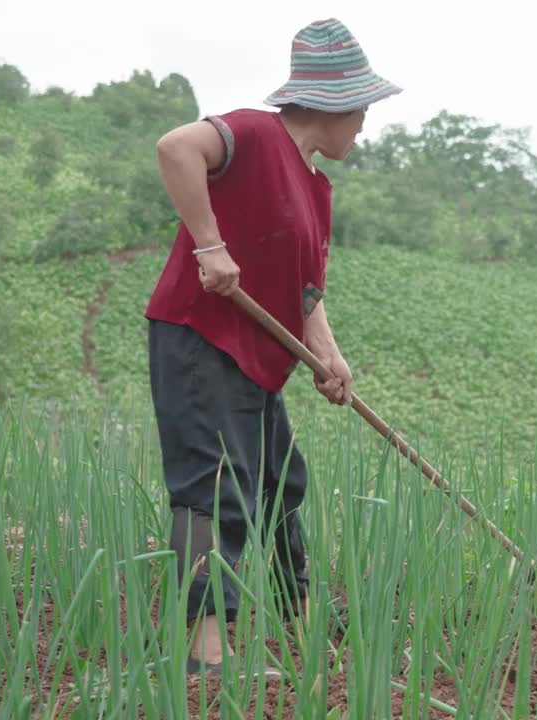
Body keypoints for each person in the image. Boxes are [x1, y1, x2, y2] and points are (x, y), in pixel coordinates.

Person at [143, 17, 401, 674]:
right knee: (214, 485)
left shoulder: (316, 187)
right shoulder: (254, 134)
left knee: (283, 484)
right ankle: (207, 650)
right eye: (362, 108)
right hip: (199, 339)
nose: (367, 122)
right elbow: (175, 148)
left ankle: (301, 613)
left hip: (258, 357)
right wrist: (208, 243)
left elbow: (306, 292)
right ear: (331, 103)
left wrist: (330, 357)